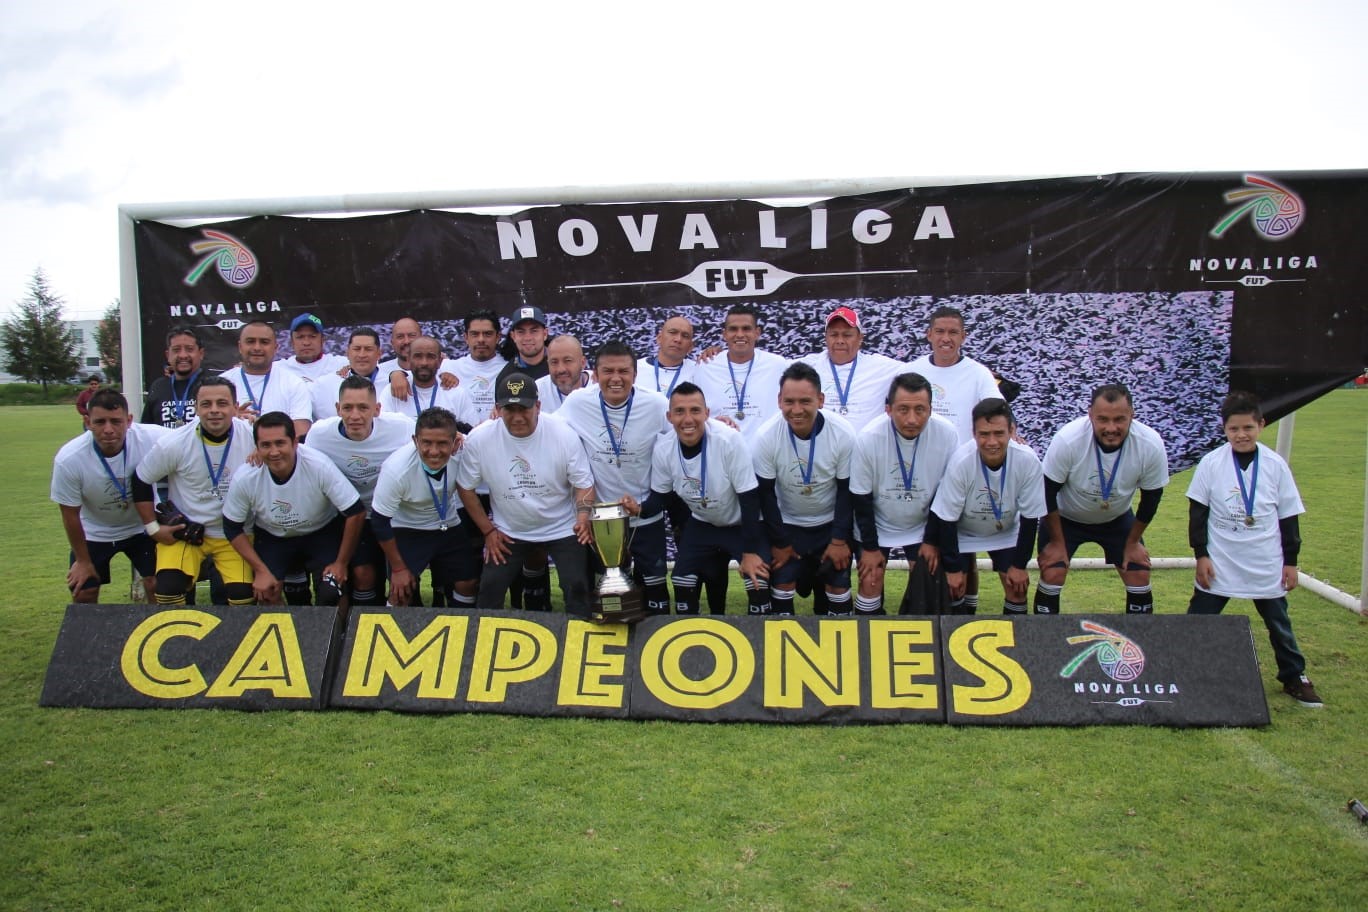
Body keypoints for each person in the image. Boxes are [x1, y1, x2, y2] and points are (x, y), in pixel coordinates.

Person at [1186, 391, 1322, 707]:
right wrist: (1201, 555)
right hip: (1222, 559)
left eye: (1248, 427)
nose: (1241, 435)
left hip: (1265, 560)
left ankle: (1294, 676)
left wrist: (1291, 562)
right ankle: (1183, 668)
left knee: (1279, 623)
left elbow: (1289, 517)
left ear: (1261, 425)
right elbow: (1198, 514)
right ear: (1224, 429)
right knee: (1197, 619)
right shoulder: (1210, 463)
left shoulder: (1275, 465)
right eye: (1234, 429)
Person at [455, 373, 596, 614]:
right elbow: (465, 487)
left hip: (562, 527)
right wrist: (488, 530)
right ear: (497, 409)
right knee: (489, 588)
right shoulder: (480, 439)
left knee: (577, 586)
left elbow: (584, 483)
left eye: (525, 408)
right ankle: (483, 645)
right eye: (510, 409)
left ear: (538, 407)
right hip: (510, 531)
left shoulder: (563, 434)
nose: (518, 417)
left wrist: (583, 518)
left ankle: (580, 643)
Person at [558, 341, 672, 614]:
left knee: (655, 591)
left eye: (623, 371)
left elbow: (684, 430)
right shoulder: (577, 403)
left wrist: (718, 423)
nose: (616, 378)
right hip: (602, 520)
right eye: (608, 371)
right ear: (595, 375)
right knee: (610, 595)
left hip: (645, 515)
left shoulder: (656, 405)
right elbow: (546, 426)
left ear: (635, 374)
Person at [1033, 384, 1169, 615]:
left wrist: (1133, 542)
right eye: (1103, 419)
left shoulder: (1150, 443)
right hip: (1066, 519)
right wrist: (1056, 543)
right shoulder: (1069, 439)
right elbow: (1046, 492)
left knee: (1138, 572)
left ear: (1132, 414)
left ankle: (1139, 644)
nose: (1111, 427)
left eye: (1119, 419)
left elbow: (1151, 497)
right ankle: (1044, 644)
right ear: (1090, 415)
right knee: (1053, 570)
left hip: (1116, 518)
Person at [647, 382, 772, 615]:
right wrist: (636, 509)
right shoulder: (663, 448)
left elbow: (749, 498)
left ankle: (760, 644)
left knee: (757, 579)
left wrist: (750, 552)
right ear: (669, 416)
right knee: (682, 580)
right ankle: (688, 637)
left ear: (707, 413)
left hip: (740, 523)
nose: (688, 419)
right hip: (703, 522)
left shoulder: (729, 440)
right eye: (679, 411)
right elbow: (660, 498)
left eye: (695, 410)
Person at [131, 376, 257, 606]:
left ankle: (231, 642)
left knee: (243, 598)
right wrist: (153, 528)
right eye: (206, 404)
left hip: (235, 534)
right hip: (187, 532)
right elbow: (140, 479)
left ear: (235, 406)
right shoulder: (175, 443)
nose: (214, 410)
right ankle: (178, 641)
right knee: (167, 591)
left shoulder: (253, 438)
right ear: (196, 408)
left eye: (222, 403)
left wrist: (264, 453)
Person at [221, 411, 366, 605]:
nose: (274, 452)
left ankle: (336, 635)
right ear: (256, 447)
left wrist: (341, 563)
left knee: (333, 590)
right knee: (266, 592)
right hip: (274, 537)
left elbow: (355, 511)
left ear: (295, 442)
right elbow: (231, 527)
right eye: (266, 445)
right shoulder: (246, 476)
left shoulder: (318, 465)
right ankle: (288, 634)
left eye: (280, 443)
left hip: (321, 532)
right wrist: (261, 571)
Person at [849, 373, 960, 615]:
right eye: (903, 409)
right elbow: (861, 498)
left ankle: (919, 640)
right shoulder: (868, 438)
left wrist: (931, 540)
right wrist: (869, 548)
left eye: (920, 410)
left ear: (931, 409)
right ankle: (868, 639)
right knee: (870, 579)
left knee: (927, 577)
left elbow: (946, 494)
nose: (912, 419)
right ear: (888, 409)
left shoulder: (948, 434)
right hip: (877, 524)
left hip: (921, 524)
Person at [301, 375, 417, 606]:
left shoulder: (402, 427)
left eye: (363, 408)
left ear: (377, 409)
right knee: (362, 574)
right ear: (337, 409)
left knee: (404, 584)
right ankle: (358, 626)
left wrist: (456, 435)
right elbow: (299, 459)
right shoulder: (319, 434)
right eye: (348, 408)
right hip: (347, 517)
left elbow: (435, 435)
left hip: (391, 515)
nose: (355, 416)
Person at [753, 362, 856, 615]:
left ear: (820, 400)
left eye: (805, 401)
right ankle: (780, 643)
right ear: (779, 401)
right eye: (789, 401)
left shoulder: (843, 434)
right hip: (788, 525)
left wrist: (840, 540)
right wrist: (779, 541)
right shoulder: (766, 437)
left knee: (838, 587)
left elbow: (847, 491)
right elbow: (765, 493)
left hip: (829, 525)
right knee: (783, 583)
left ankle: (841, 643)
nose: (796, 410)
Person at [52, 388, 171, 602]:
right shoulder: (69, 458)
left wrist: (236, 422)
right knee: (83, 589)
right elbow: (69, 514)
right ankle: (88, 635)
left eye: (116, 421)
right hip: (95, 531)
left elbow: (191, 436)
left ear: (129, 420)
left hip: (142, 528)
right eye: (100, 422)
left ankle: (154, 632)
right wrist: (82, 561)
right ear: (88, 422)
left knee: (159, 585)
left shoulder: (151, 437)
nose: (108, 429)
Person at [931, 398, 1046, 615]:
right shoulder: (960, 462)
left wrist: (1019, 566)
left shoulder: (1028, 461)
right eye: (984, 434)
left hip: (1005, 530)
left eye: (999, 433)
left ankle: (1016, 643)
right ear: (974, 433)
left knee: (1017, 588)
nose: (991, 442)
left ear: (1012, 430)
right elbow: (946, 520)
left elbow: (1031, 519)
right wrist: (954, 570)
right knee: (954, 587)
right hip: (962, 532)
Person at [371, 407, 480, 607]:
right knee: (401, 592)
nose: (434, 451)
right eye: (426, 443)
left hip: (447, 525)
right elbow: (379, 521)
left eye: (442, 444)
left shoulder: (466, 451)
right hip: (407, 528)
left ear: (455, 443)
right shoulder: (396, 469)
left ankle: (462, 630)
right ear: (415, 441)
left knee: (468, 582)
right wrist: (397, 569)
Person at [799, 306, 904, 433]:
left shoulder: (882, 368)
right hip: (823, 449)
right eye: (834, 335)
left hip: (865, 451)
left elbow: (922, 368)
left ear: (860, 338)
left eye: (847, 335)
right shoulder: (806, 366)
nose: (840, 341)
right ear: (825, 337)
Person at [692, 304, 790, 440]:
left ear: (757, 333)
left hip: (766, 454)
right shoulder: (705, 366)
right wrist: (712, 423)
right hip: (722, 452)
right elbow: (693, 411)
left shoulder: (778, 365)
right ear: (724, 334)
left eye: (746, 329)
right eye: (733, 329)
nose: (740, 334)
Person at [905, 306, 1000, 444]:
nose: (946, 338)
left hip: (961, 461)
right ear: (929, 335)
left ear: (963, 336)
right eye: (940, 331)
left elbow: (999, 410)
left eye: (953, 332)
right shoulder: (910, 371)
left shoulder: (979, 374)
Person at [218, 320, 313, 438]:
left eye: (264, 342)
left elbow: (301, 428)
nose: (257, 347)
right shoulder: (221, 384)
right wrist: (229, 420)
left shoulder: (293, 383)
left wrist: (264, 447)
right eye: (250, 341)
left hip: (276, 454)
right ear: (240, 347)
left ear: (275, 348)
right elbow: (203, 425)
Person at [378, 336, 479, 428]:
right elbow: (382, 429)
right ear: (408, 360)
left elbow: (472, 434)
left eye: (430, 356)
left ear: (439, 362)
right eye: (418, 356)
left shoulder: (457, 393)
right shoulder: (392, 391)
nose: (424, 363)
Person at [141, 326, 212, 428]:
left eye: (189, 349)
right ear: (168, 355)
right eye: (176, 350)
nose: (183, 355)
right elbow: (146, 430)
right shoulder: (158, 387)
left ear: (201, 353)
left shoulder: (213, 385)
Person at [309, 328, 386, 421]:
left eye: (368, 349)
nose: (362, 355)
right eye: (357, 349)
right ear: (348, 353)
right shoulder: (322, 386)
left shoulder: (391, 383)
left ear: (379, 354)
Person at [448, 309, 508, 422]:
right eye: (475, 334)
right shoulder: (449, 367)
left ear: (498, 337)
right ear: (466, 337)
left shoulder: (510, 369)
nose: (481, 340)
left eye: (487, 334)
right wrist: (403, 374)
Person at [635, 315, 698, 396]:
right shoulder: (635, 368)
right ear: (659, 338)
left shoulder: (698, 371)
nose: (678, 339)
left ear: (690, 347)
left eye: (685, 336)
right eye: (673, 332)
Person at [280, 312, 349, 385]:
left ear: (322, 340)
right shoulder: (278, 369)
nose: (306, 343)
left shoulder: (341, 364)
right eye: (300, 337)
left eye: (312, 336)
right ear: (292, 342)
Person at [537, 335, 594, 413]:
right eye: (554, 362)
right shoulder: (538, 390)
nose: (561, 369)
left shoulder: (600, 386)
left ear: (583, 363)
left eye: (568, 361)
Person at [496, 305, 551, 382]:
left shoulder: (560, 367)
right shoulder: (506, 377)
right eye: (521, 332)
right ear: (513, 336)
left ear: (545, 334)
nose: (528, 338)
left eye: (534, 331)